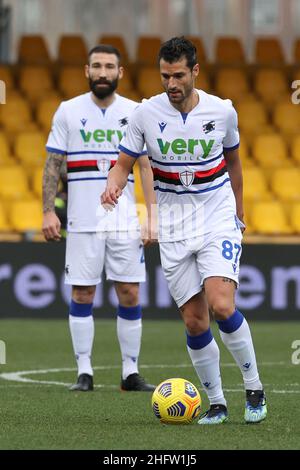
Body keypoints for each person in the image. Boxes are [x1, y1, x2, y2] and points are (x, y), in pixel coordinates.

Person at [101, 37, 267, 423]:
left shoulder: (222, 111)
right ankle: (217, 402)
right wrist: (112, 182)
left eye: (178, 75)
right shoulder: (144, 114)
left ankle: (254, 387)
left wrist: (238, 212)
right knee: (194, 320)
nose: (171, 83)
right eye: (164, 76)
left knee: (221, 303)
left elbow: (235, 165)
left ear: (195, 71)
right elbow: (122, 164)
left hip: (216, 216)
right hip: (174, 224)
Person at [42, 44, 156, 392]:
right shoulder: (68, 110)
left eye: (109, 66)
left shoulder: (137, 112)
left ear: (120, 73)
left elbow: (148, 167)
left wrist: (152, 216)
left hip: (124, 220)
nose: (103, 72)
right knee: (82, 294)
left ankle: (130, 372)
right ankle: (85, 371)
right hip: (80, 220)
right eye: (96, 66)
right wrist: (48, 210)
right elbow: (53, 164)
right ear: (86, 71)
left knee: (129, 293)